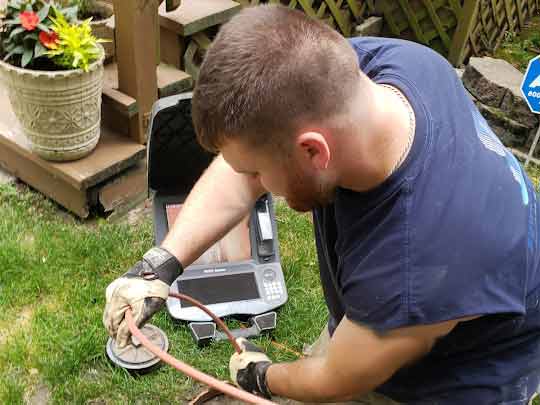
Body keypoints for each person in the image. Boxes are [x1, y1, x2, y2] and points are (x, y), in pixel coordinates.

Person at [102, 5, 540, 404]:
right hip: (403, 309)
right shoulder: (377, 70)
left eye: (256, 172)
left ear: (314, 152)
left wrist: (261, 377)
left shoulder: (413, 264)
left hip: (459, 379)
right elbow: (243, 165)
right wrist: (159, 265)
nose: (253, 184)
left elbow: (335, 376)